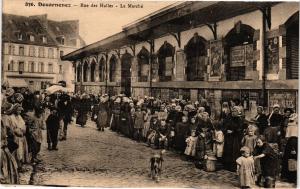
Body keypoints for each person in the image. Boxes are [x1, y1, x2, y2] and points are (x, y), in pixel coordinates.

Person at [222, 106, 245, 172]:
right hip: (228, 137)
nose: (233, 113)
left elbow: (240, 128)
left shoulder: (240, 119)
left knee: (234, 152)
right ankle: (227, 165)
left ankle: (233, 167)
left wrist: (233, 131)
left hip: (236, 138)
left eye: (235, 111)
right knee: (228, 150)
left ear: (238, 112)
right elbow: (224, 125)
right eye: (232, 111)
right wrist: (226, 130)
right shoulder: (229, 118)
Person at [9, 103, 29, 169]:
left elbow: (23, 125)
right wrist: (18, 131)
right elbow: (12, 128)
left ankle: (20, 165)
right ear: (15, 110)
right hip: (16, 137)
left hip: (22, 136)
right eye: (18, 110)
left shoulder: (19, 116)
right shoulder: (11, 117)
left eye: (20, 111)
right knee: (18, 152)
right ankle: (17, 166)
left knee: (22, 151)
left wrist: (23, 130)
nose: (19, 112)